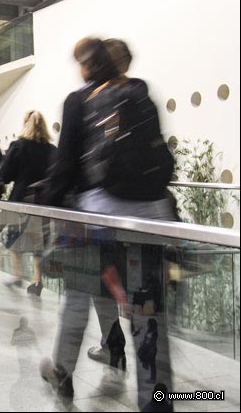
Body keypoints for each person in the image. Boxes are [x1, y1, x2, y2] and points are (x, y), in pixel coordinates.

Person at [39, 38, 174, 408]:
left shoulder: (79, 101)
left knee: (78, 297)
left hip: (96, 220)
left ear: (87, 65)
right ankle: (157, 399)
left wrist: (47, 207)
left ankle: (62, 371)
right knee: (147, 313)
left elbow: (65, 165)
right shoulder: (141, 94)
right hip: (150, 218)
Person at [0, 110, 57, 295]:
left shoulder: (18, 146)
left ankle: (17, 272)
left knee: (15, 236)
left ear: (26, 124)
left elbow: (5, 175)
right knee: (39, 240)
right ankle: (36, 279)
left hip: (22, 199)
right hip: (44, 202)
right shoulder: (52, 150)